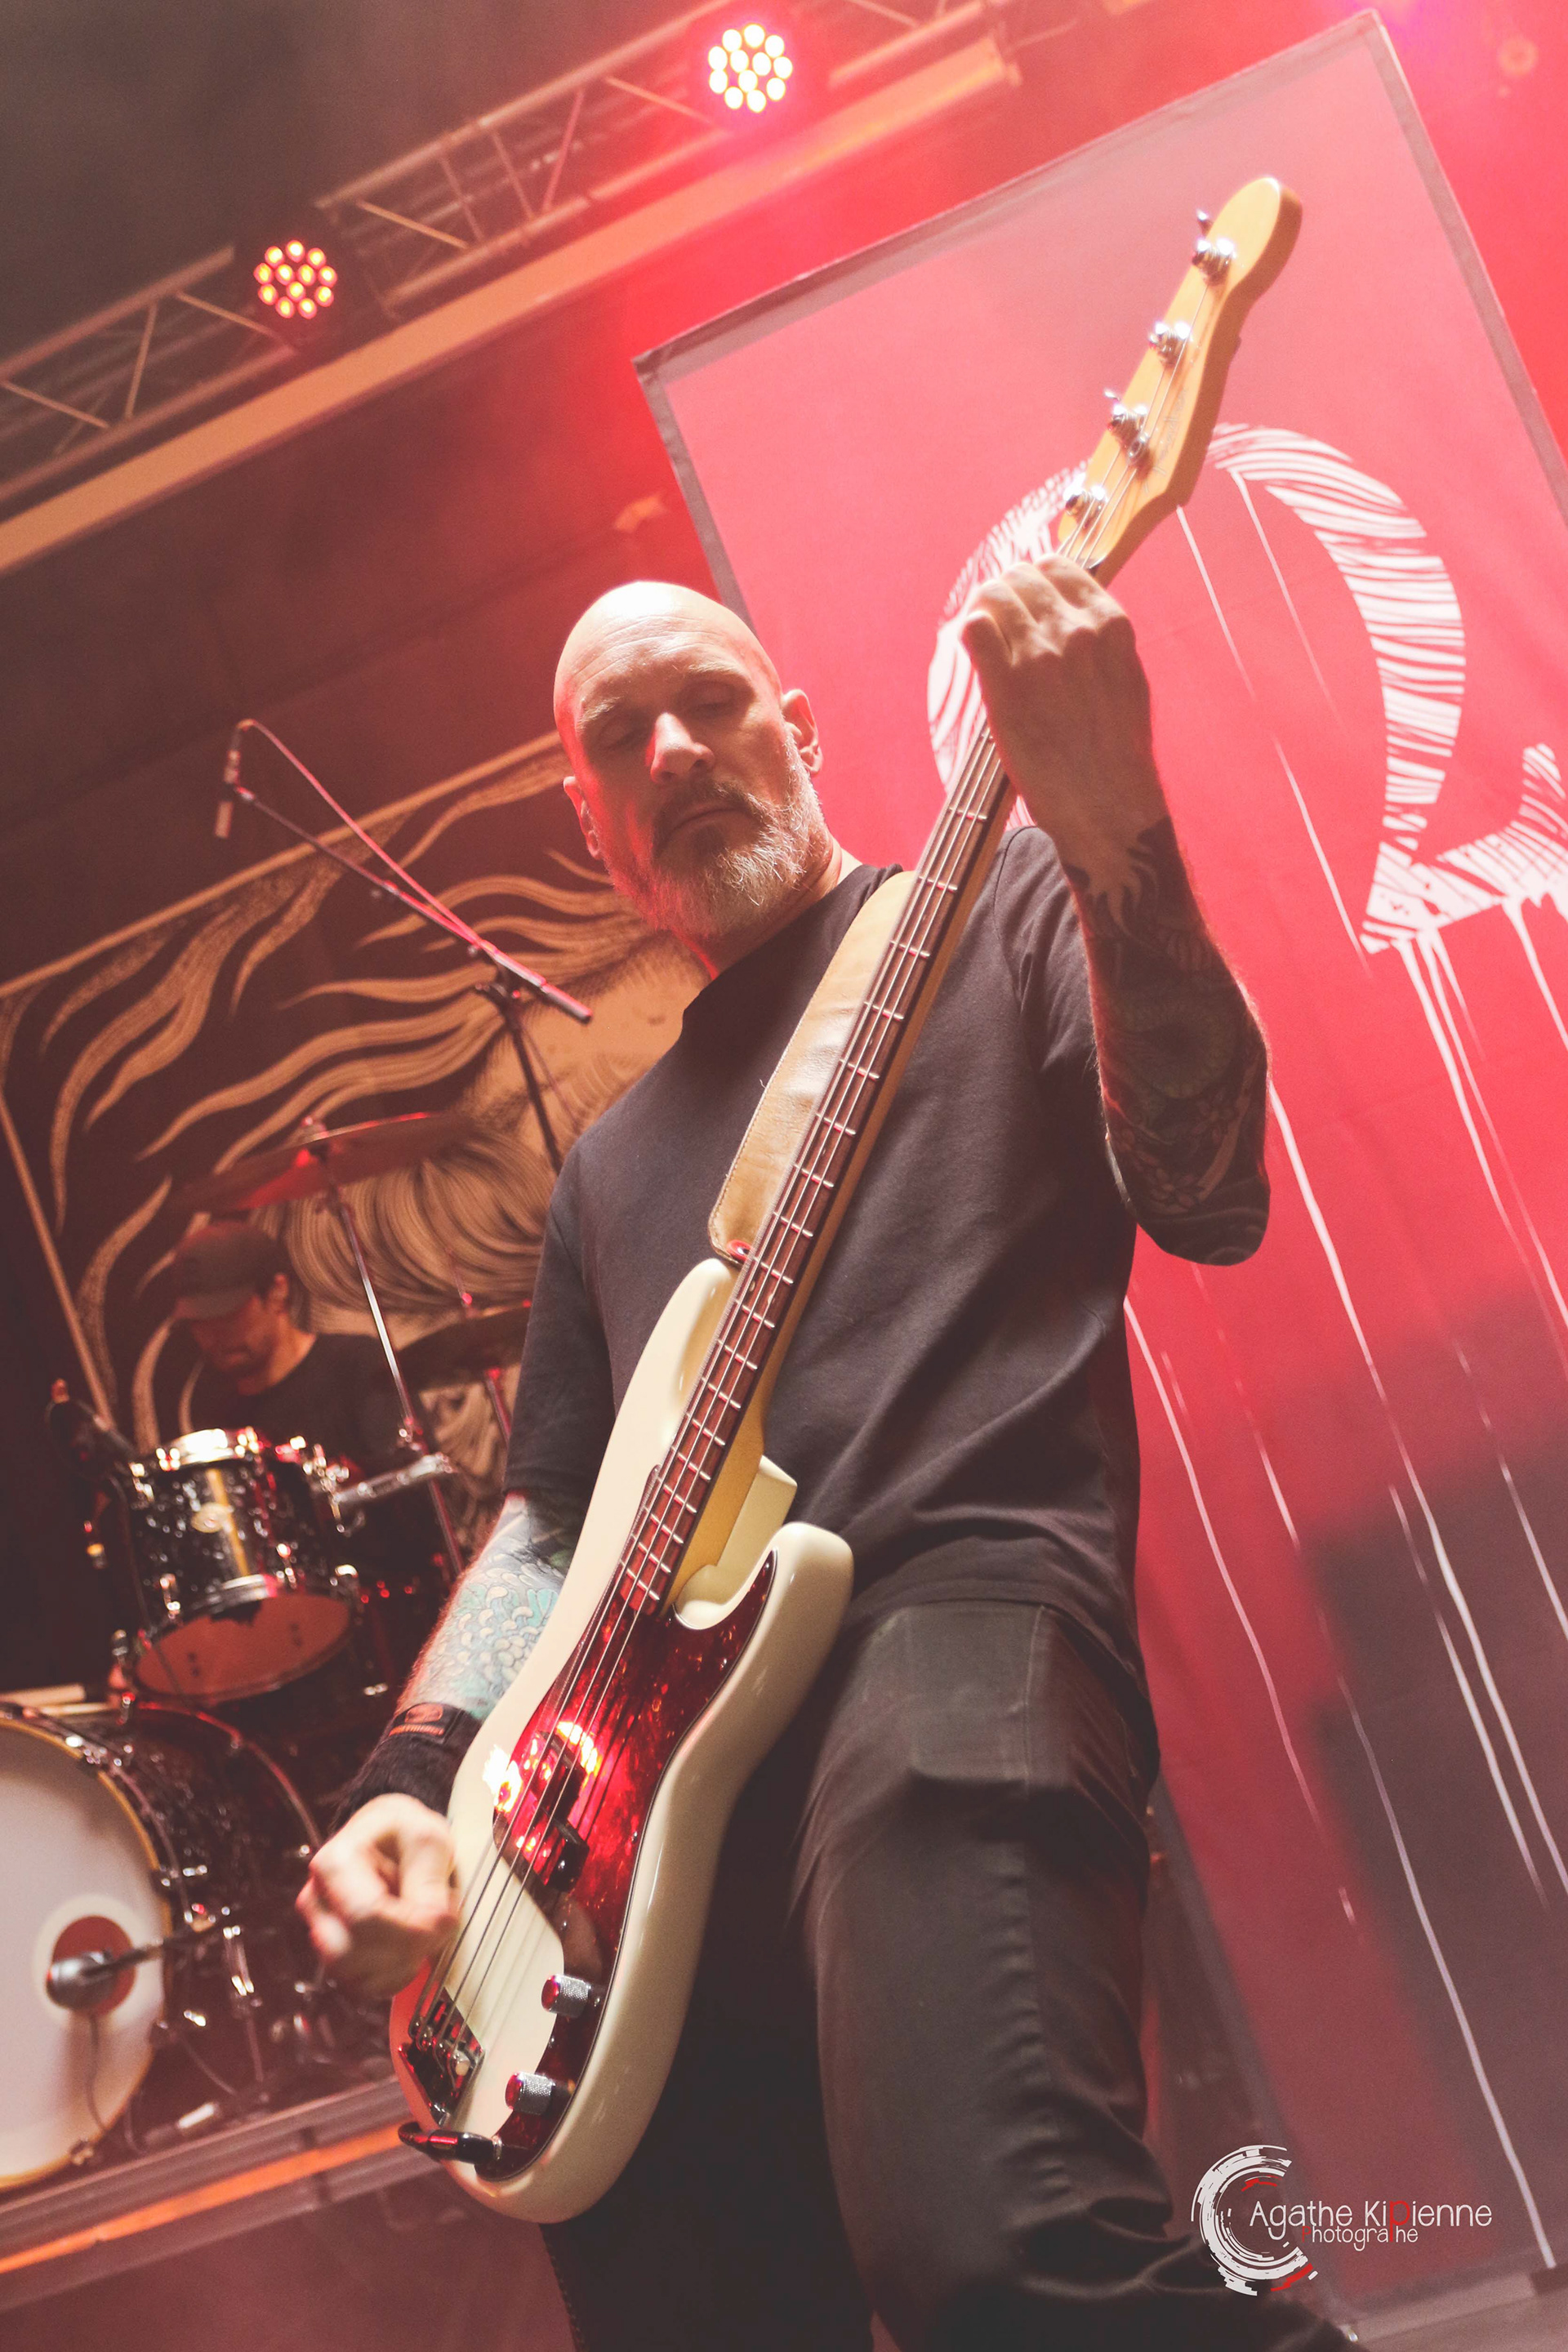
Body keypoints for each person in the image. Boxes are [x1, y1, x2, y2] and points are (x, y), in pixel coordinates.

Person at [299, 565, 1351, 2350]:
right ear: (592, 830)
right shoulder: (609, 1171)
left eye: (709, 700)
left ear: (798, 728)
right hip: (647, 1790)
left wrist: (1116, 828)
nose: (673, 749)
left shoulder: (1004, 905)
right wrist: (407, 1777)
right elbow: (547, 1519)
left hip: (947, 1624)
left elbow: (1211, 1190)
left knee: (997, 2253)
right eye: (620, 737)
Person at [175, 1220, 406, 1470]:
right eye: (201, 1321)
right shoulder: (216, 1415)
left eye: (230, 1314)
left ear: (278, 1291)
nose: (215, 1333)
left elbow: (410, 1478)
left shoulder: (356, 1365)